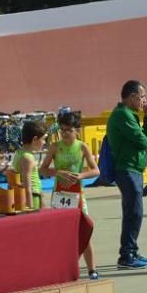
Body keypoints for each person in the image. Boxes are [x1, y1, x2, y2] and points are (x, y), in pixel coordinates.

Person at [39, 111, 100, 279]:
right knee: (61, 234)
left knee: (84, 231)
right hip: (60, 194)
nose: (64, 133)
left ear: (77, 131)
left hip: (78, 194)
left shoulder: (82, 147)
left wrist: (80, 176)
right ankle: (60, 268)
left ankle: (92, 269)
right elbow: (42, 169)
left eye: (68, 130)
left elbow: (96, 170)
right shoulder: (55, 147)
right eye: (62, 130)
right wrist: (57, 172)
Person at [106, 80, 147, 270]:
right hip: (126, 169)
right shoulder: (122, 115)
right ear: (133, 96)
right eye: (142, 96)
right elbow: (143, 141)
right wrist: (146, 120)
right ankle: (126, 255)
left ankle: (132, 250)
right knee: (133, 212)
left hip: (134, 168)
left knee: (135, 212)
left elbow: (146, 139)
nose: (144, 100)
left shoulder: (130, 115)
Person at [11, 121, 47, 210]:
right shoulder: (28, 158)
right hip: (33, 197)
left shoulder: (19, 152)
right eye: (43, 139)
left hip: (34, 195)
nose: (44, 142)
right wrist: (30, 209)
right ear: (35, 139)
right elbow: (27, 187)